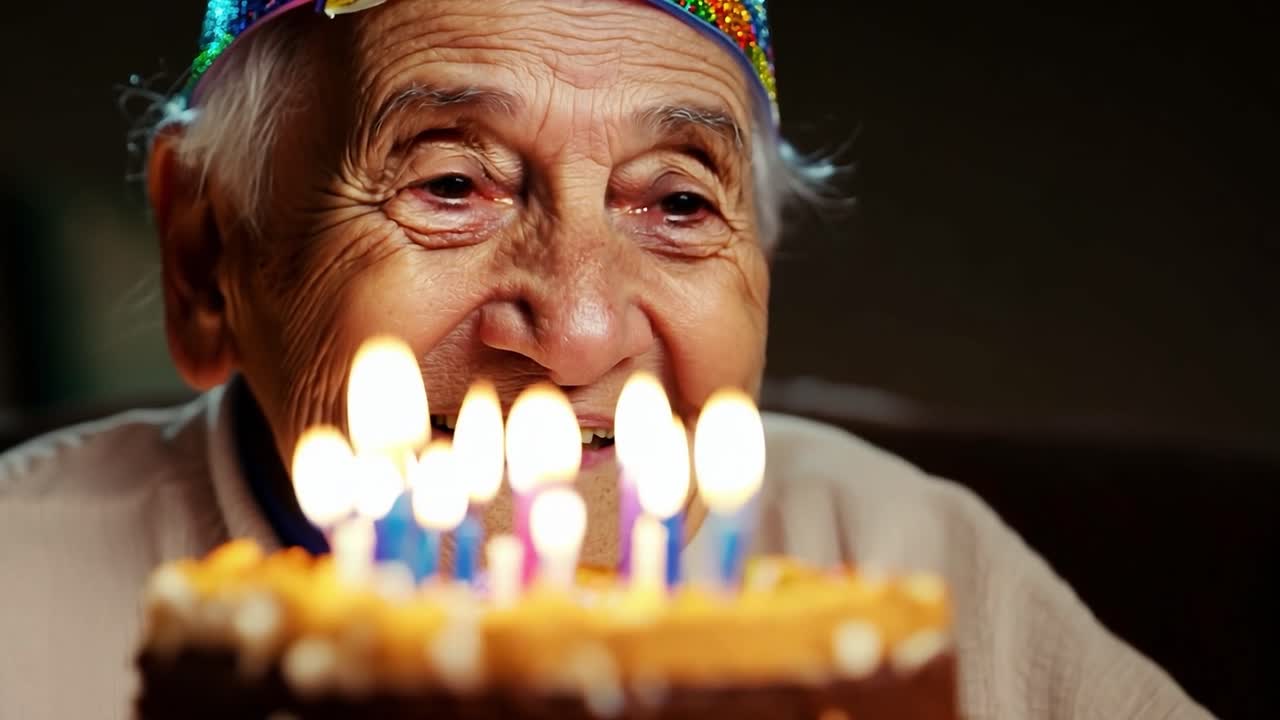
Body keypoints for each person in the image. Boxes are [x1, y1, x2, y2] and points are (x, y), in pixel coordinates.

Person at [0, 1, 1210, 718]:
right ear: (207, 258)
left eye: (676, 204)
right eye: (450, 183)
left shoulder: (898, 562)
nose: (577, 330)